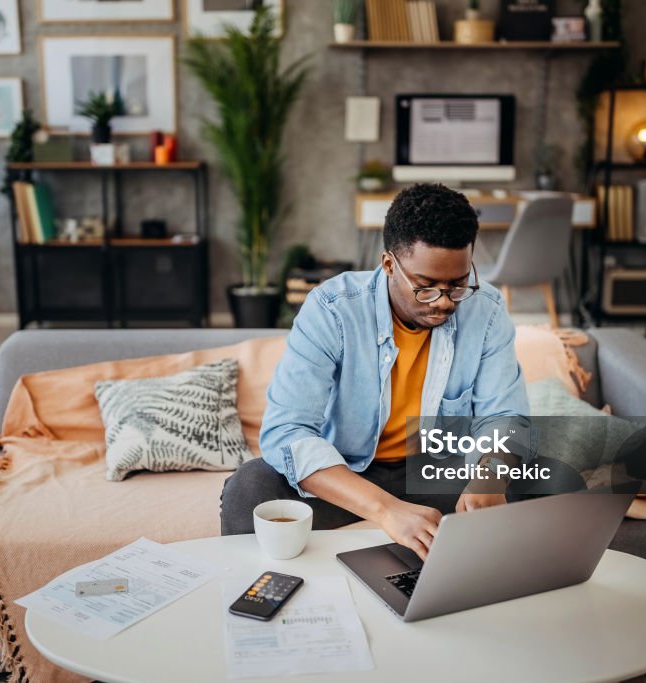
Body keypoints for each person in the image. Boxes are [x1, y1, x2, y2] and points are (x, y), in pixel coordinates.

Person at [220, 183, 529, 559]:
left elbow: (503, 417)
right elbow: (287, 430)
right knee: (249, 489)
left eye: (458, 284)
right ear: (388, 265)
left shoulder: (488, 310)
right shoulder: (332, 310)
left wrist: (488, 478)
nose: (445, 302)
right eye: (426, 288)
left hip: (435, 470)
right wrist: (385, 509)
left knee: (534, 476)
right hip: (348, 471)